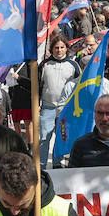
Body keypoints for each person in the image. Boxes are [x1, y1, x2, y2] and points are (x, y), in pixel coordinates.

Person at [37, 34, 81, 167]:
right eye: (56, 47)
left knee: (62, 137)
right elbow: (37, 85)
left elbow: (79, 86)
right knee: (44, 138)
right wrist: (37, 103)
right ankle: (42, 165)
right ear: (51, 49)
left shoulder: (73, 65)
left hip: (65, 108)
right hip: (48, 107)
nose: (59, 50)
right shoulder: (44, 65)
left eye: (62, 47)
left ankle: (57, 162)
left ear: (67, 48)